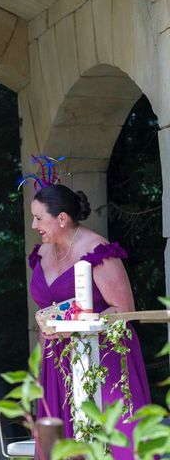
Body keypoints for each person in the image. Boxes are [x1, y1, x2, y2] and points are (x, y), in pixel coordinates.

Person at [29, 184, 151, 459]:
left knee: (111, 436)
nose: (34, 225)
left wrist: (75, 323)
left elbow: (123, 309)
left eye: (38, 218)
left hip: (104, 356)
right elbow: (47, 313)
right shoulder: (42, 253)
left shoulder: (97, 250)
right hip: (56, 360)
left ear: (62, 218)